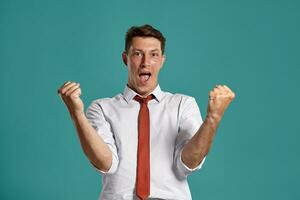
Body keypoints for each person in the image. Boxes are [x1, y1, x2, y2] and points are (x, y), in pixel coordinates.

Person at [58, 24, 235, 200]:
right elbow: (106, 163)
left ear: (162, 61)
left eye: (153, 54)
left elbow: (188, 163)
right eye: (137, 54)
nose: (145, 62)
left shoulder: (183, 104)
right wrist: (77, 115)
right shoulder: (102, 108)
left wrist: (213, 119)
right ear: (125, 58)